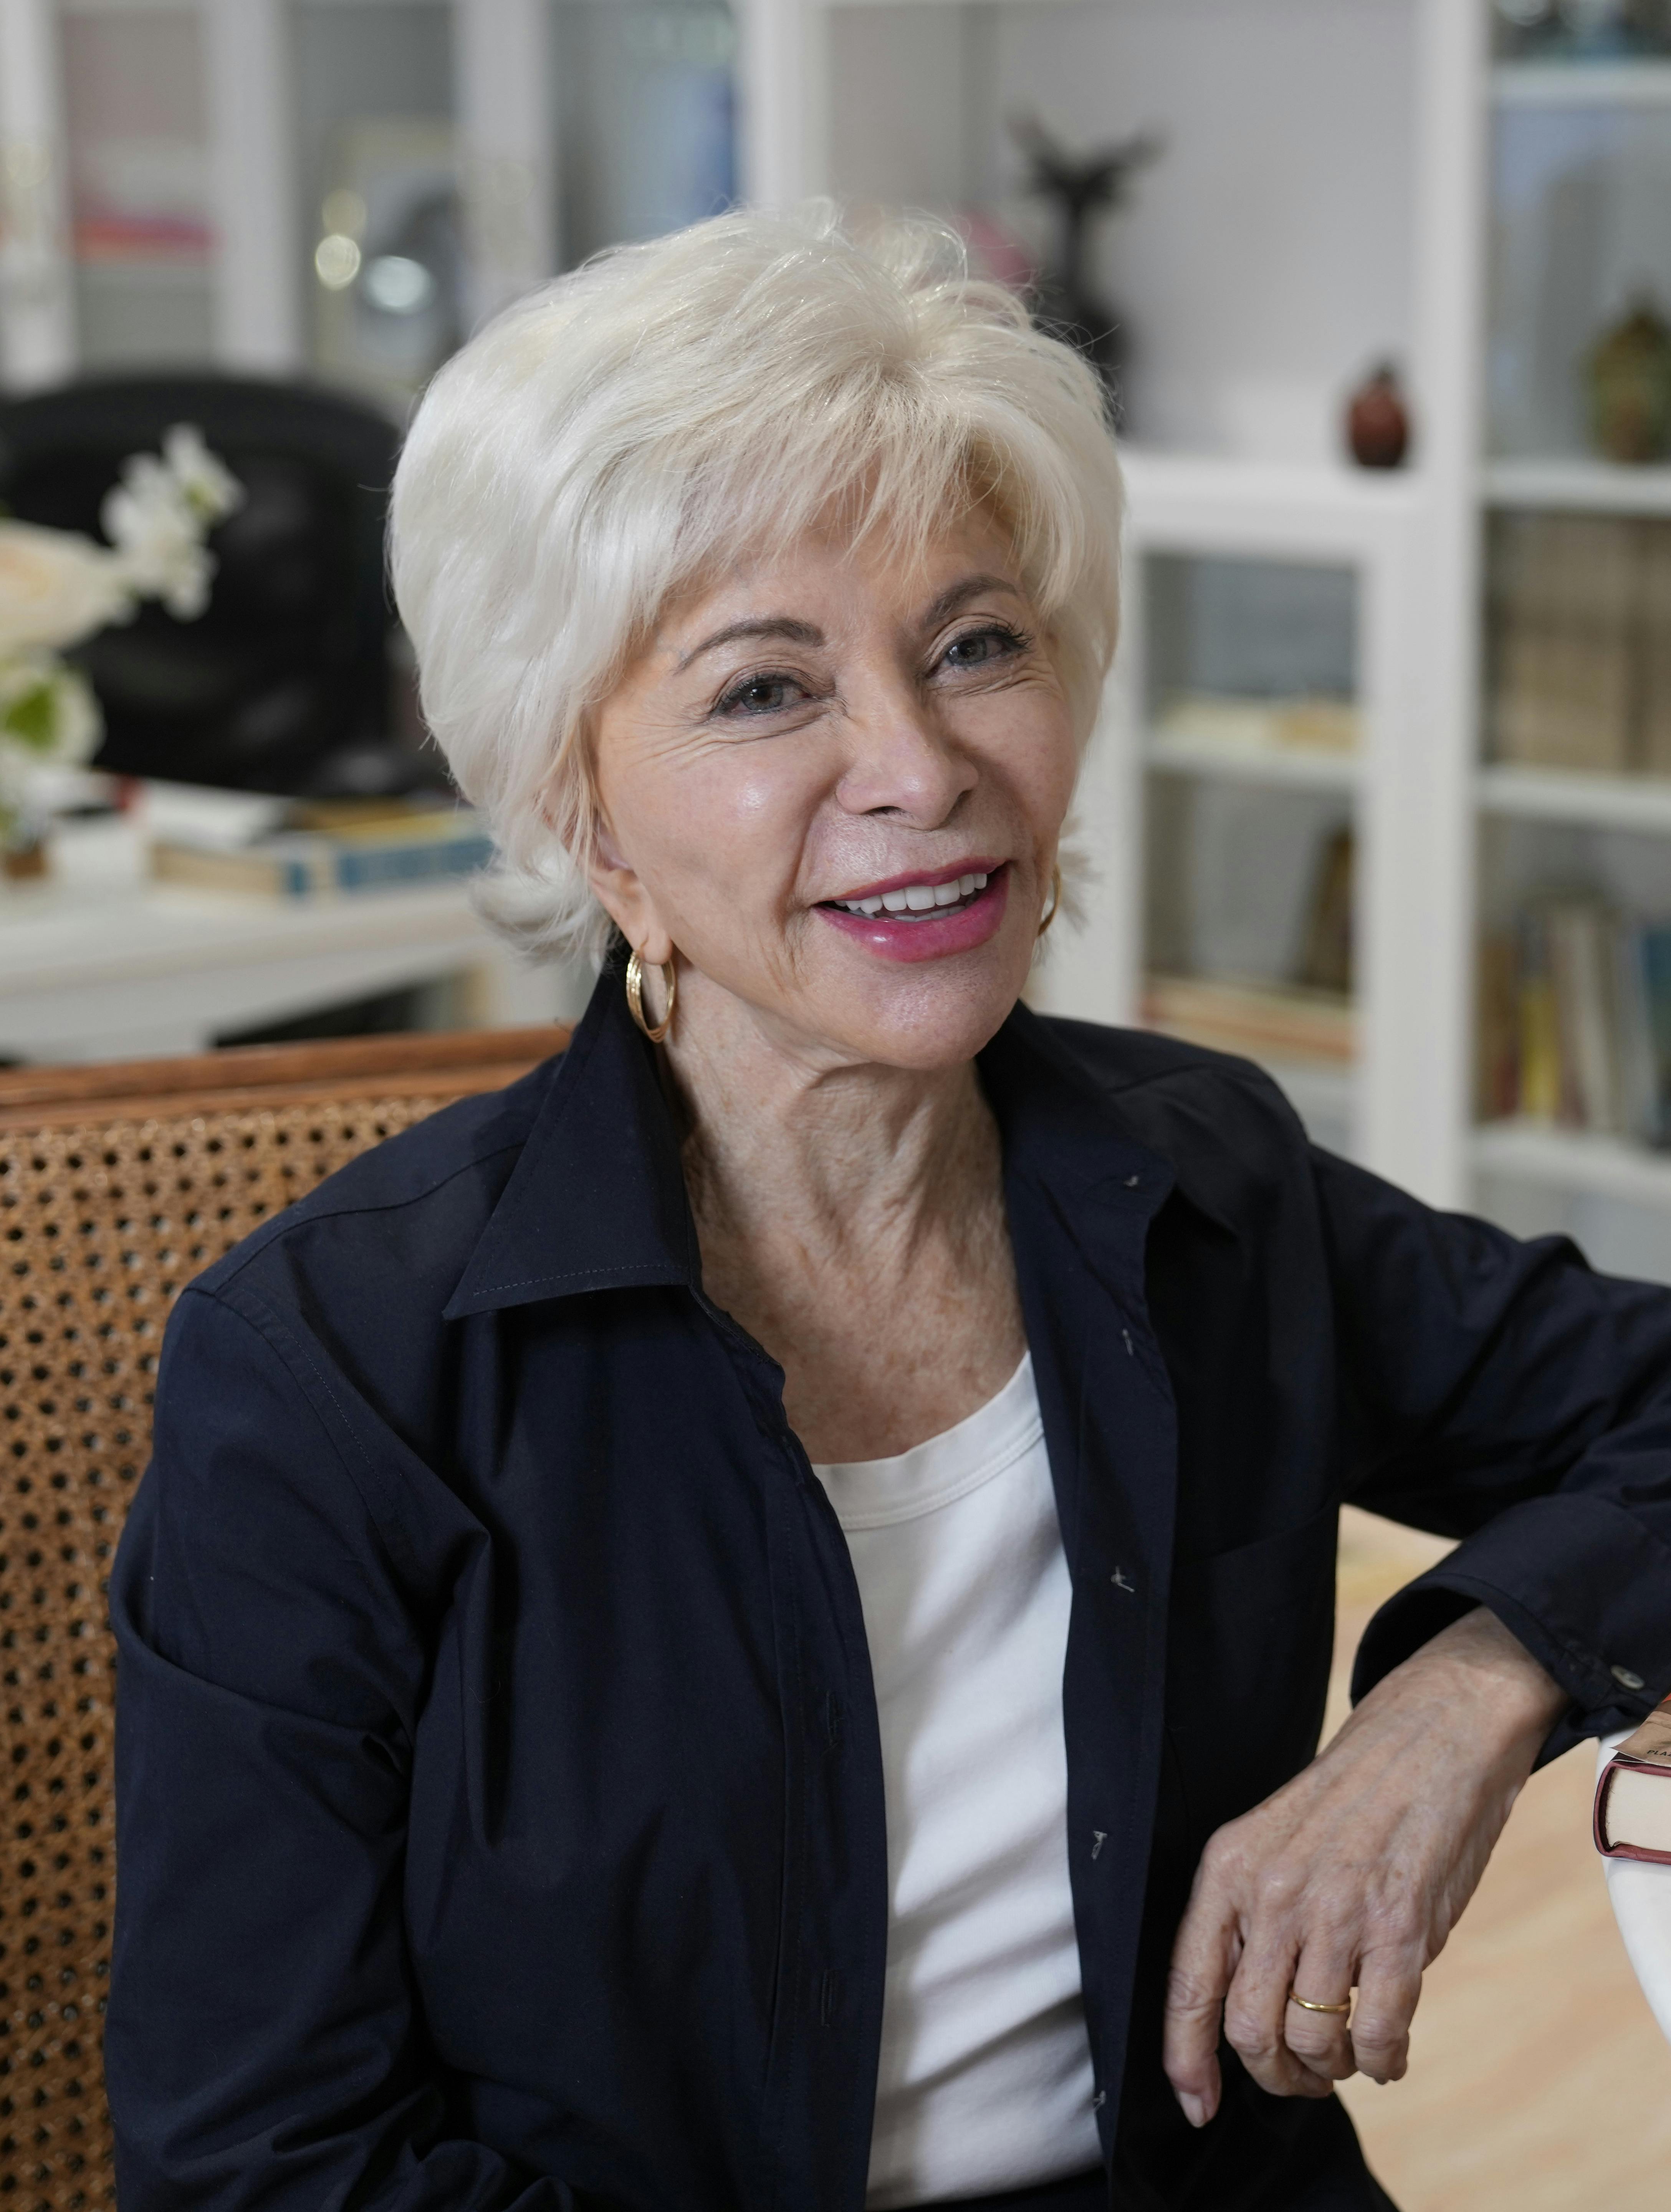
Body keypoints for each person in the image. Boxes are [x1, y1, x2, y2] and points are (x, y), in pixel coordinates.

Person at [107, 206, 1671, 2212]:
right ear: (582, 810)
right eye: (768, 693)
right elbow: (264, 2171)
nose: (922, 768)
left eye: (978, 645)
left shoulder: (1206, 1181)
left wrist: (1455, 1699)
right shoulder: (330, 1379)